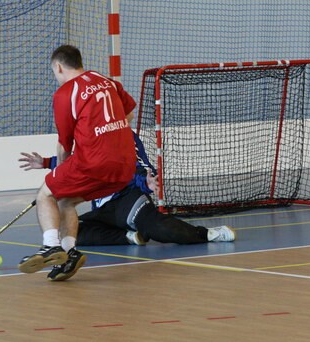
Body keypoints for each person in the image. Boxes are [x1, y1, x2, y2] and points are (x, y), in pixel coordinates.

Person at [18, 44, 138, 282]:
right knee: (66, 201)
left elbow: (64, 145)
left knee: (46, 194)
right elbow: (129, 114)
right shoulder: (106, 81)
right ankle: (69, 253)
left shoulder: (65, 94)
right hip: (126, 166)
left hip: (94, 162)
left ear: (58, 67)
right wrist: (107, 133)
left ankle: (50, 246)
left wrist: (59, 173)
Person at [20, 133, 236, 260]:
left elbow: (139, 166)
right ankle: (130, 237)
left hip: (128, 200)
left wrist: (146, 182)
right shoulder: (87, 135)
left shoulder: (124, 136)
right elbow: (75, 163)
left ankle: (208, 233)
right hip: (103, 209)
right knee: (72, 231)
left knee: (160, 229)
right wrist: (46, 163)